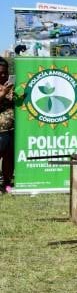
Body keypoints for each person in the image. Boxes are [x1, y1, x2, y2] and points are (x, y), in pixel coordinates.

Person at [0, 57, 14, 193]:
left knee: (9, 159)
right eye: (0, 73)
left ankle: (7, 182)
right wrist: (3, 93)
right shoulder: (5, 88)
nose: (3, 75)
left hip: (12, 130)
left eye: (5, 72)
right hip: (0, 131)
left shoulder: (10, 85)